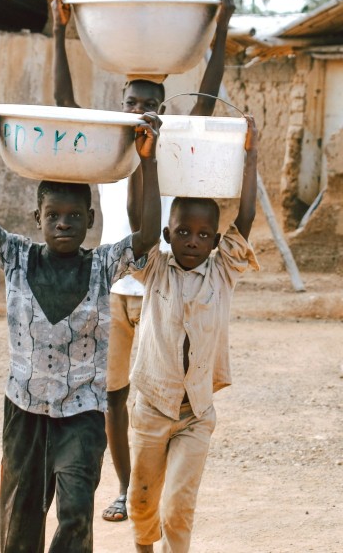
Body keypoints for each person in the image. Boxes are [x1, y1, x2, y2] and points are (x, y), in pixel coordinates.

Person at [51, 0, 236, 522]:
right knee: (113, 394)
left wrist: (220, 24)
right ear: (121, 104)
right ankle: (128, 490)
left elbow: (208, 91)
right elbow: (64, 106)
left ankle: (154, 491)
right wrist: (59, 28)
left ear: (162, 109)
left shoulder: (175, 144)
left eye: (151, 104)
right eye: (133, 102)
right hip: (115, 288)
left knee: (157, 400)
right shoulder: (108, 147)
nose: (141, 111)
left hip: (162, 291)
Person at [0, 101, 162, 553]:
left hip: (82, 414)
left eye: (75, 216)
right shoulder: (16, 256)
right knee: (20, 519)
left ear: (91, 220)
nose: (64, 224)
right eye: (53, 216)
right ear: (38, 220)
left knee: (75, 513)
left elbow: (148, 235)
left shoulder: (103, 263)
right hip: (25, 410)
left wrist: (147, 160)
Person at [126, 115, 260, 552]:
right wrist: (147, 162)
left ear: (216, 240)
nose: (192, 240)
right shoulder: (155, 269)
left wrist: (249, 154)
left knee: (178, 508)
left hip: (196, 412)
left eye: (204, 234)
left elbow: (247, 215)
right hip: (150, 406)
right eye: (182, 231)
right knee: (142, 504)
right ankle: (144, 546)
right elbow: (139, 226)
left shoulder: (223, 271)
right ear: (168, 234)